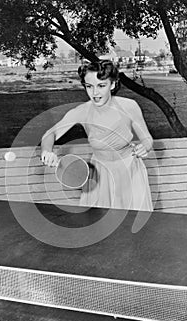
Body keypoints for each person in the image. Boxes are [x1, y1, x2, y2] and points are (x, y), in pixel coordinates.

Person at [41, 60, 153, 211]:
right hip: (100, 175)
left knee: (132, 228)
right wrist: (47, 151)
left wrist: (145, 147)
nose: (95, 93)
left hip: (129, 171)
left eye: (101, 86)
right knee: (99, 228)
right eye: (89, 86)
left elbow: (147, 139)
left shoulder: (129, 106)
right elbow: (50, 133)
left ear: (112, 85)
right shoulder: (82, 111)